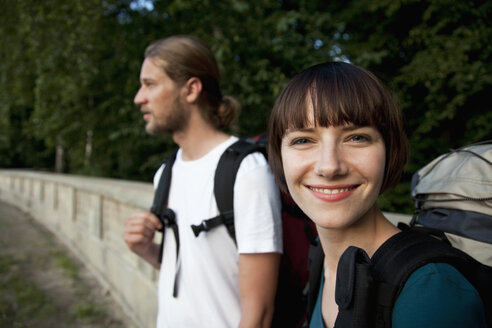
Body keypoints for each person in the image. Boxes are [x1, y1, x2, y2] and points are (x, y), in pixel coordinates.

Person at [267, 61, 487, 327]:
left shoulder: (430, 290)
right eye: (303, 140)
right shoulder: (325, 259)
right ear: (279, 156)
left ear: (389, 151)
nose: (329, 166)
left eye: (357, 137)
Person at [124, 35, 282, 328]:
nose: (139, 98)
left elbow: (259, 314)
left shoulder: (247, 172)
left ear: (191, 89)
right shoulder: (167, 171)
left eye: (150, 84)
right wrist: (146, 249)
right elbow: (199, 270)